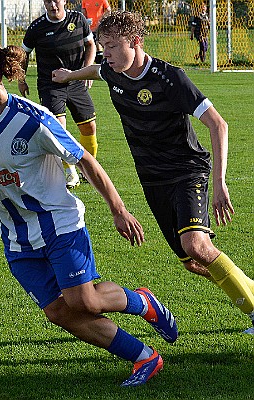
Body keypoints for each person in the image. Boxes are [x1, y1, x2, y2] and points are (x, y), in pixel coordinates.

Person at [0, 38, 179, 387]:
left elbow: (86, 162)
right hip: (15, 237)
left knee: (86, 301)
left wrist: (119, 210)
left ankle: (141, 301)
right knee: (59, 312)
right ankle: (144, 357)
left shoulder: (33, 120)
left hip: (60, 224)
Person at [52, 10, 254, 334]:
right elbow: (98, 70)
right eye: (103, 46)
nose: (107, 54)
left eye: (113, 47)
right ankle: (249, 289)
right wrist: (69, 76)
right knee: (192, 262)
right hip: (153, 179)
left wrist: (219, 183)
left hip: (187, 171)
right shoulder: (112, 70)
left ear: (135, 42)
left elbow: (219, 123)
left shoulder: (169, 78)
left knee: (196, 246)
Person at [18, 0, 98, 189]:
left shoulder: (78, 19)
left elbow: (91, 45)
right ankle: (70, 172)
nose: (53, 5)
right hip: (50, 85)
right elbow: (23, 54)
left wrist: (87, 69)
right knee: (59, 129)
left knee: (89, 127)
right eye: (48, 1)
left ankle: (87, 170)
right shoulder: (37, 27)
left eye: (56, 0)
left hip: (76, 81)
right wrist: (21, 79)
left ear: (64, 1)